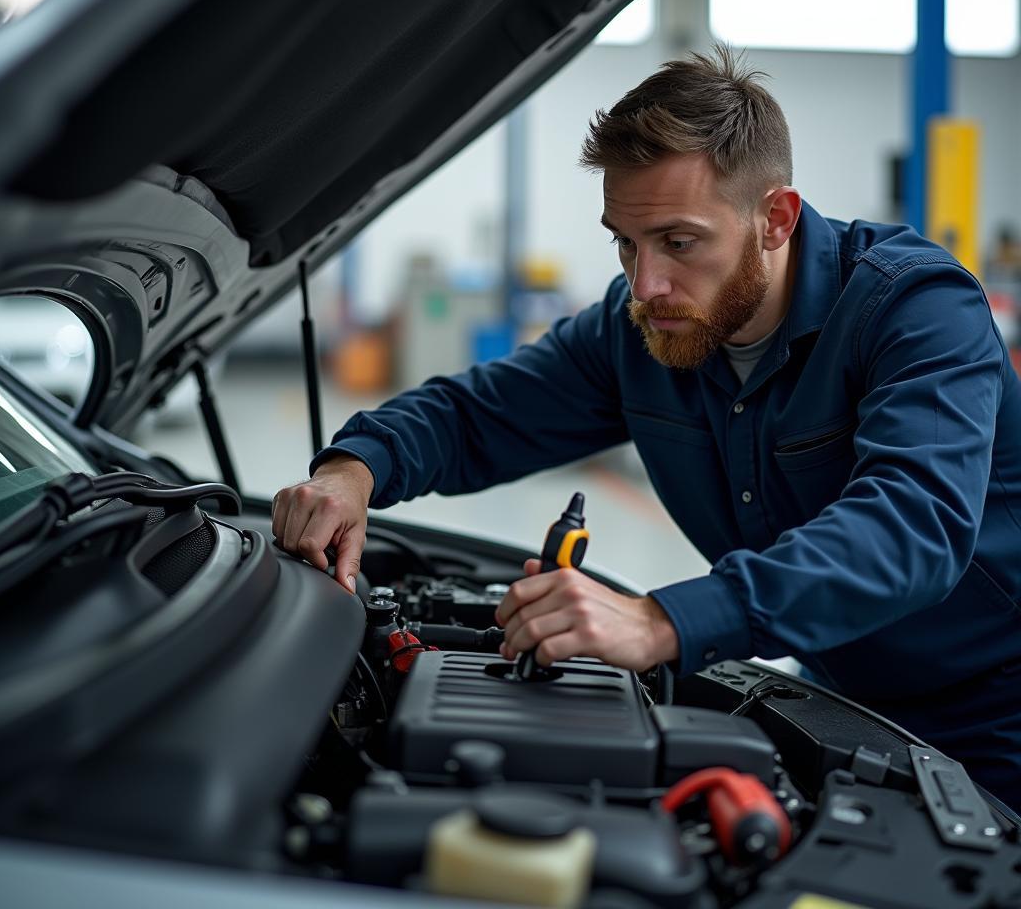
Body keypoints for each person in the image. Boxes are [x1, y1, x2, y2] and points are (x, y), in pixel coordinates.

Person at [272, 46, 1021, 811]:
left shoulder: (915, 309)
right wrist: (355, 468)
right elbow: (478, 415)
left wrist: (665, 620)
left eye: (679, 242)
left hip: (1000, 708)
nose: (646, 282)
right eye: (626, 243)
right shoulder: (643, 330)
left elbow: (912, 527)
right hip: (841, 701)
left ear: (776, 218)